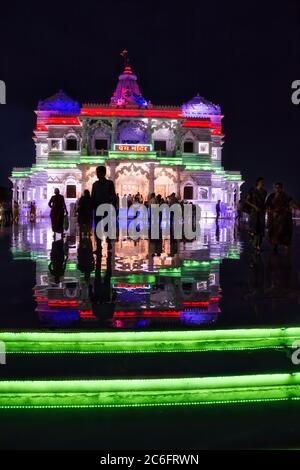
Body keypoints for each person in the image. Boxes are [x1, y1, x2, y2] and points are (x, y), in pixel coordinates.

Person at [266, 182, 299, 252]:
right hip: (274, 217)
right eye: (276, 187)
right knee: (274, 232)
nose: (277, 189)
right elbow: (267, 205)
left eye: (279, 187)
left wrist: (297, 207)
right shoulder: (272, 196)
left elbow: (292, 202)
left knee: (283, 231)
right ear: (274, 188)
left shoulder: (285, 196)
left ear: (281, 188)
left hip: (283, 217)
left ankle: (286, 245)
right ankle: (275, 246)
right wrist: (269, 210)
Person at [91, 165, 117, 251]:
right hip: (97, 207)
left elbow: (113, 196)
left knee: (108, 225)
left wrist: (114, 207)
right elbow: (93, 197)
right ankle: (98, 245)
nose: (97, 174)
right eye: (97, 173)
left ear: (104, 173)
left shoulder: (110, 183)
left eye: (99, 172)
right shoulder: (95, 184)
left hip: (107, 207)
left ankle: (109, 242)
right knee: (98, 226)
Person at [245, 177, 267, 253]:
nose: (263, 183)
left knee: (261, 228)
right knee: (254, 228)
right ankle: (254, 243)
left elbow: (264, 202)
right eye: (261, 182)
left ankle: (258, 246)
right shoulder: (252, 191)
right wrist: (254, 206)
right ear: (258, 182)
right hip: (254, 212)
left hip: (261, 211)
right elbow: (247, 201)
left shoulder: (264, 192)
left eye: (263, 182)